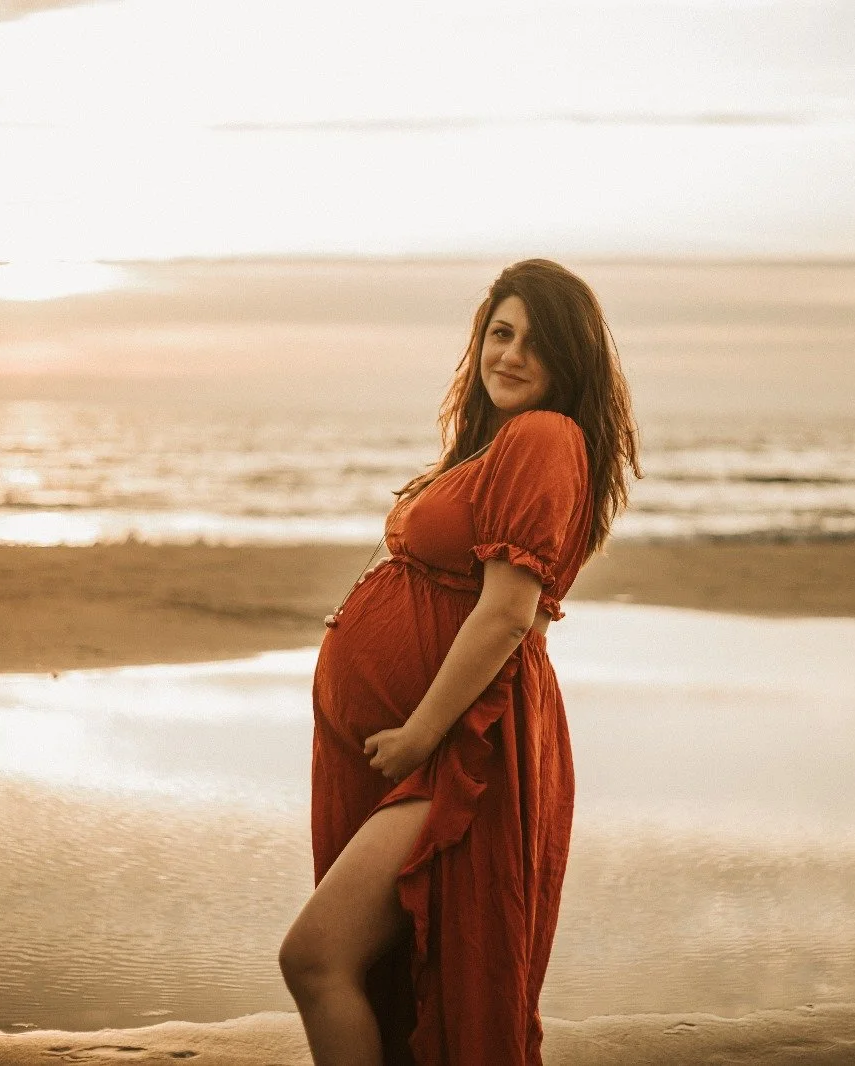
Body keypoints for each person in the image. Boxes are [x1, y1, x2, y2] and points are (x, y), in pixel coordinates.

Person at [279, 259, 641, 1065]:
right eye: (500, 334)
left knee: (317, 958)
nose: (510, 356)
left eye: (536, 344)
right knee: (387, 973)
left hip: (462, 749)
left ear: (569, 363)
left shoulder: (546, 436)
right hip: (416, 746)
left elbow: (508, 614)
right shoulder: (497, 445)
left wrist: (418, 736)